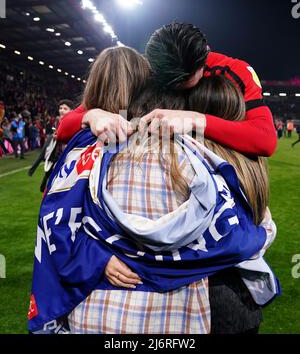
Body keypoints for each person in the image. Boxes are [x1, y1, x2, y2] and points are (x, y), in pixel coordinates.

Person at [29, 47, 278, 335]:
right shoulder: (204, 164)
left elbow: (56, 222)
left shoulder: (91, 152)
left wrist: (95, 255)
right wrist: (265, 231)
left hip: (95, 314)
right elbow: (242, 235)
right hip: (192, 310)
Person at [57, 22, 277, 159]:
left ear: (203, 62)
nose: (174, 87)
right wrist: (93, 114)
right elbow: (64, 129)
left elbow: (265, 140)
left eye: (183, 81)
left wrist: (195, 119)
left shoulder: (235, 71)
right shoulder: (146, 68)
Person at [28, 99, 75, 192]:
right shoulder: (59, 120)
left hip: (65, 154)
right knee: (45, 158)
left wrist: (59, 137)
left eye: (65, 108)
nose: (61, 110)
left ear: (72, 111)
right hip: (56, 149)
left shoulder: (72, 122)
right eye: (60, 108)